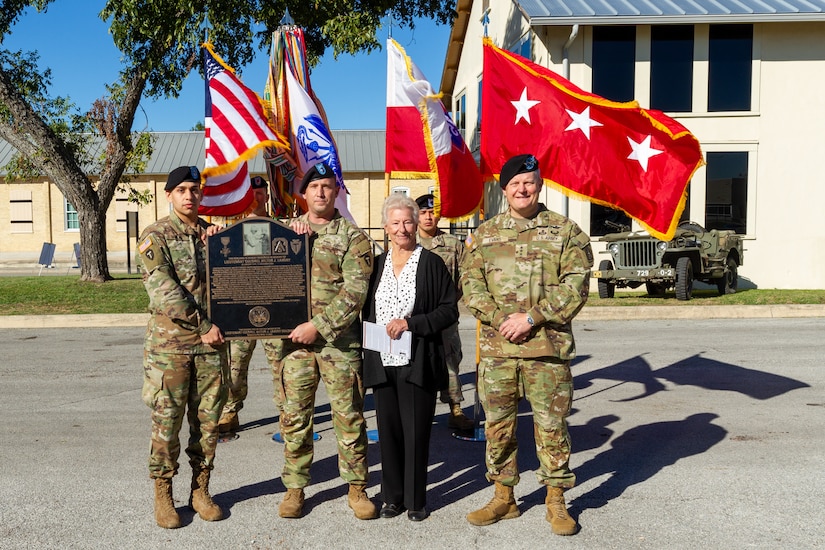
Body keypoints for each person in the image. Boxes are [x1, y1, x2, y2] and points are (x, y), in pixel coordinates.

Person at [460, 154, 593, 536]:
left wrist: (531, 318)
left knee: (551, 427)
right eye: (515, 183)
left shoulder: (565, 231)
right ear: (504, 189)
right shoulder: (485, 235)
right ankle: (504, 497)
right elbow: (472, 286)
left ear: (539, 185)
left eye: (529, 182)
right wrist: (503, 320)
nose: (522, 189)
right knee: (499, 427)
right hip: (499, 351)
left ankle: (556, 500)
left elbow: (577, 286)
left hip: (546, 350)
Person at [272, 161, 377, 520]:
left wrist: (318, 326)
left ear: (336, 193)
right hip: (293, 345)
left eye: (328, 187)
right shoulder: (283, 231)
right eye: (314, 187)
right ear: (303, 194)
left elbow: (355, 291)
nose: (320, 192)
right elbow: (246, 265)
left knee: (349, 416)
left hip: (338, 343)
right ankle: (295, 488)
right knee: (295, 417)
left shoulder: (353, 238)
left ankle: (357, 486)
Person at [138, 165, 228, 529]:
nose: (189, 195)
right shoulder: (154, 235)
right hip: (170, 348)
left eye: (194, 189)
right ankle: (163, 494)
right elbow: (163, 290)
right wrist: (203, 325)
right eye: (181, 190)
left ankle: (200, 489)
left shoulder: (214, 235)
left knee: (207, 422)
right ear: (169, 195)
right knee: (167, 422)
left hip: (211, 349)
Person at [363, 194, 458, 521]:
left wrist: (412, 324)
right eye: (396, 222)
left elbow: (449, 310)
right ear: (386, 227)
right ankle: (392, 498)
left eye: (408, 221)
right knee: (388, 432)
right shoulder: (375, 265)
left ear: (416, 224)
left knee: (416, 432)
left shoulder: (431, 264)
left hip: (417, 359)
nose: (402, 228)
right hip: (382, 361)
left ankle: (416, 500)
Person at [218, 175, 283, 435]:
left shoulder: (282, 229)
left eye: (260, 193)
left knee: (282, 368)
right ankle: (230, 412)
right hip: (241, 312)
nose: (256, 197)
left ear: (267, 196)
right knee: (235, 366)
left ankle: (287, 414)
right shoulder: (230, 233)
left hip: (276, 311)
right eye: (252, 193)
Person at [414, 194, 473, 432]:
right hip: (416, 316)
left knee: (450, 361)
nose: (429, 217)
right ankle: (419, 410)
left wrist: (450, 304)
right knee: (418, 362)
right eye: (423, 212)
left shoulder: (452, 244)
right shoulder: (409, 243)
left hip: (445, 316)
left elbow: (466, 276)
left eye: (432, 212)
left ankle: (455, 410)